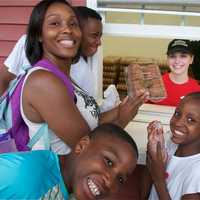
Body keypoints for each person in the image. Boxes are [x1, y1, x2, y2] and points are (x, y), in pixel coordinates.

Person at [0, 123, 139, 200]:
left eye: (120, 179)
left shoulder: (72, 186)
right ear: (82, 146)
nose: (110, 182)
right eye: (108, 162)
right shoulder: (25, 177)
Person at [0, 6, 102, 97]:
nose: (67, 30)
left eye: (72, 24)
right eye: (94, 35)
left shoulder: (85, 74)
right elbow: (3, 78)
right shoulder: (26, 44)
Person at [142, 92, 200, 200]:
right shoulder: (169, 142)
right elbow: (144, 194)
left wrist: (159, 179)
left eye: (191, 120)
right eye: (177, 114)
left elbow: (156, 178)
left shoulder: (197, 172)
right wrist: (151, 152)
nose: (178, 123)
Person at [151, 39, 200, 107]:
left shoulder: (198, 89)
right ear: (167, 59)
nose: (177, 61)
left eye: (183, 56)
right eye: (172, 56)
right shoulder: (155, 84)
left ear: (191, 59)